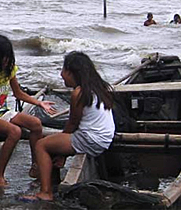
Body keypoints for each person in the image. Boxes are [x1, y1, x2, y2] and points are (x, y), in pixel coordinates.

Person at [25, 51, 115, 202]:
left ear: (72, 72)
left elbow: (73, 123)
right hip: (104, 137)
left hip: (92, 139)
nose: (61, 74)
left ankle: (46, 192)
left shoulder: (79, 93)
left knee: (41, 145)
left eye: (63, 70)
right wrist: (61, 150)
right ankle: (53, 183)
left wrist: (62, 149)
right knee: (53, 144)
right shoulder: (99, 87)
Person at [0, 35, 56, 187]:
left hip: (4, 112)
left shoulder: (9, 69)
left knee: (36, 124)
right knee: (15, 132)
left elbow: (18, 93)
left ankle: (35, 166)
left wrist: (39, 103)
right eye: (3, 59)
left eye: (8, 58)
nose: (6, 62)